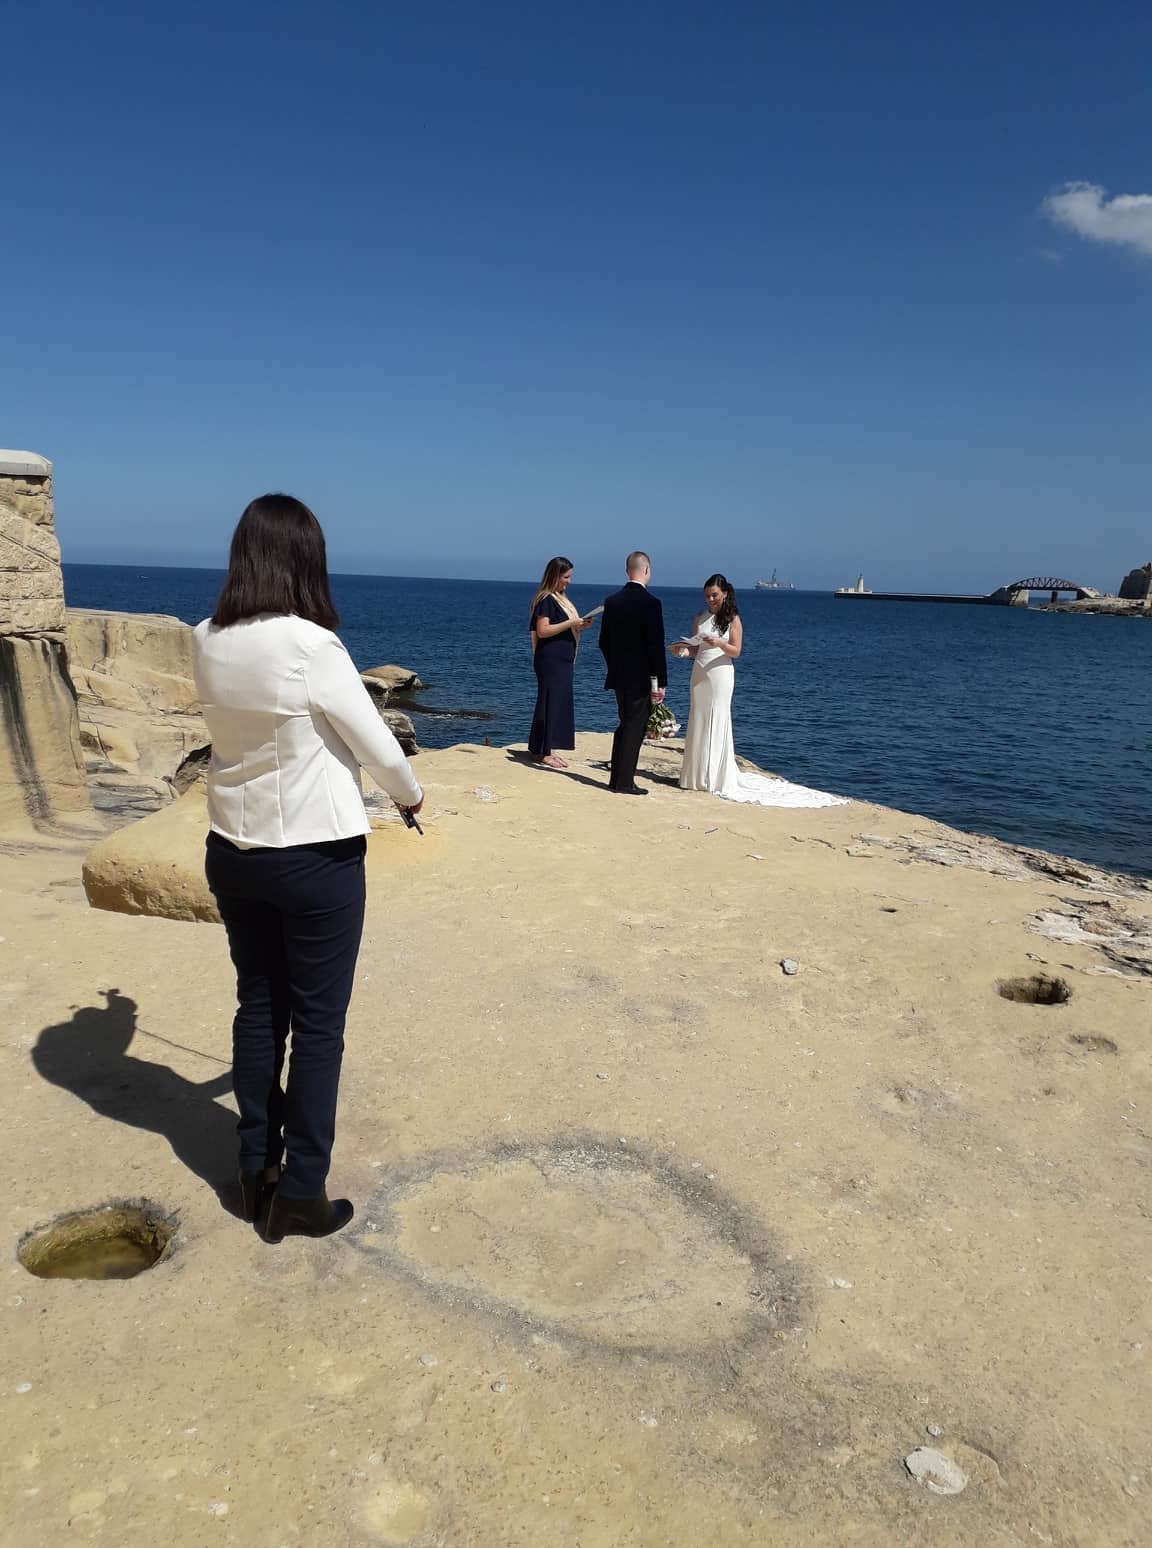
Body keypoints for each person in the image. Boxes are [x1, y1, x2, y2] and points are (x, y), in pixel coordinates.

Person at [192, 494, 424, 1244]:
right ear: (303, 562)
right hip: (315, 858)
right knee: (319, 1027)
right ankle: (300, 1193)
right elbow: (377, 745)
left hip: (234, 850)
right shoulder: (310, 645)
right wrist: (411, 796)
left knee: (259, 1008)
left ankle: (253, 1169)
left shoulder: (206, 638)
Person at [673, 573, 847, 808]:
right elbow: (695, 649)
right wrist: (683, 652)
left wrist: (720, 643)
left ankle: (714, 777)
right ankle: (694, 776)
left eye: (714, 595)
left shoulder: (732, 619)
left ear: (724, 593)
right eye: (707, 596)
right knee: (699, 718)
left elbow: (736, 651)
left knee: (718, 718)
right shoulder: (699, 617)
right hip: (700, 674)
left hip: (720, 674)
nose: (710, 600)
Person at [598, 550, 667, 795]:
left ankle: (617, 778)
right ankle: (625, 782)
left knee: (625, 723)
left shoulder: (612, 601)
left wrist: (615, 665)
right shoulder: (651, 604)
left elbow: (603, 642)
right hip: (642, 676)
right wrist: (660, 682)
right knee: (634, 726)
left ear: (628, 571)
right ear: (646, 570)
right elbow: (655, 646)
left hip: (619, 674)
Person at [528, 556, 593, 769]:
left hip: (561, 660)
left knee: (554, 702)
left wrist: (579, 625)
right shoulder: (546, 600)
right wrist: (570, 623)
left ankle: (542, 748)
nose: (569, 581)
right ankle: (545, 751)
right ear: (555, 576)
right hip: (551, 660)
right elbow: (543, 630)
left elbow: (561, 626)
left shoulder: (559, 598)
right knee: (550, 702)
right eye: (566, 577)